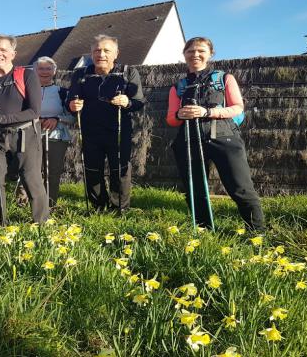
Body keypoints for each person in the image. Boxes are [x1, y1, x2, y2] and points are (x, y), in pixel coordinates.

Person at [166, 37, 265, 232]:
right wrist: (180, 114)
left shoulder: (224, 78)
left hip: (224, 137)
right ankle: (203, 231)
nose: (195, 54)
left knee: (240, 187)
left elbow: (237, 108)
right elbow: (171, 119)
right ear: (184, 55)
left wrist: (208, 112)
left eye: (201, 50)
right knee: (195, 190)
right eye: (190, 51)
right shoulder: (178, 86)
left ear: (210, 54)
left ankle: (257, 233)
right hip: (189, 139)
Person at [0, 34, 49, 225]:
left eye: (3, 49)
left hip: (25, 134)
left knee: (31, 179)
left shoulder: (27, 75)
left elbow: (34, 111)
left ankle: (41, 224)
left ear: (13, 53)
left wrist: (1, 117)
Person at [68, 34, 144, 212]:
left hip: (118, 129)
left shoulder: (128, 72)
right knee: (92, 169)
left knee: (120, 168)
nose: (101, 54)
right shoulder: (80, 74)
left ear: (116, 54)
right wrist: (72, 104)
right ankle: (98, 207)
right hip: (90, 130)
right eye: (96, 50)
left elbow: (139, 101)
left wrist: (127, 102)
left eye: (106, 50)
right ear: (91, 54)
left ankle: (119, 208)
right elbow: (71, 100)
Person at [34, 56, 74, 207]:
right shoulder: (25, 92)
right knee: (31, 171)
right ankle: (27, 204)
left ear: (54, 71)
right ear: (34, 71)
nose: (44, 72)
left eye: (48, 68)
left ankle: (50, 204)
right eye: (41, 68)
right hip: (32, 135)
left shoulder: (62, 92)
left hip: (56, 136)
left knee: (53, 172)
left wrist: (57, 119)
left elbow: (72, 118)